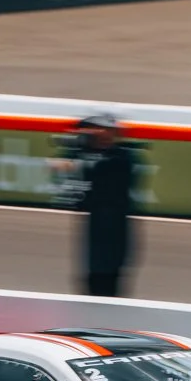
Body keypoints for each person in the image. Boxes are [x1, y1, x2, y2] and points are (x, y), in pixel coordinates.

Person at [59, 113, 137, 297]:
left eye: (99, 130)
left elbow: (104, 174)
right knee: (91, 280)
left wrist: (79, 160)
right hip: (95, 227)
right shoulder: (85, 156)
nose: (94, 134)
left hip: (116, 226)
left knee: (109, 281)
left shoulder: (123, 157)